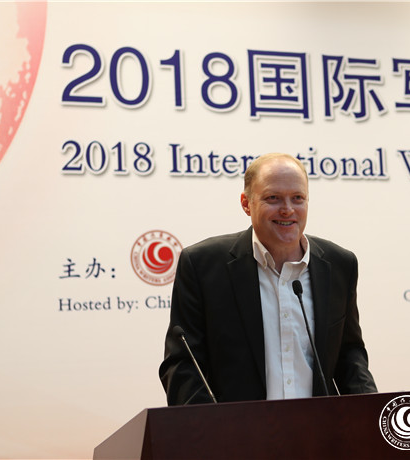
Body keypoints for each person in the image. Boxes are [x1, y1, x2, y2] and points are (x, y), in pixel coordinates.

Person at [159, 153, 377, 405]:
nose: (288, 209)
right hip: (237, 427)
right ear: (246, 203)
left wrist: (371, 413)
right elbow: (183, 364)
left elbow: (350, 356)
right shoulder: (203, 265)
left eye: (298, 198)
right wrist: (209, 426)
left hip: (318, 427)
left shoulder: (339, 264)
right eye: (273, 198)